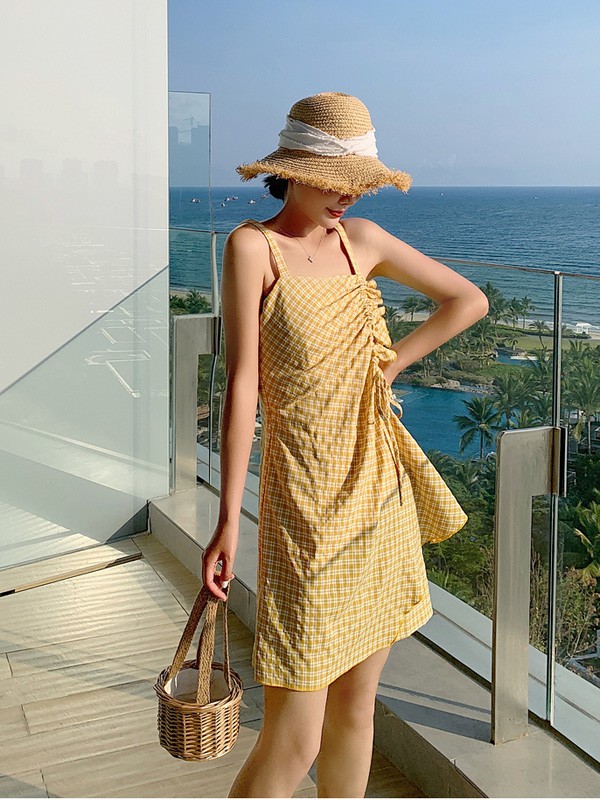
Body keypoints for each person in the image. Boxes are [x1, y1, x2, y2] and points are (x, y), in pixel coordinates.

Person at [202, 92, 489, 798]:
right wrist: (228, 519)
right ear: (293, 171)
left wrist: (391, 365)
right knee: (293, 737)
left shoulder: (363, 242)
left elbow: (469, 300)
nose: (349, 195)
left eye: (358, 182)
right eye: (336, 179)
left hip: (378, 496)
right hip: (303, 505)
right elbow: (242, 386)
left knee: (357, 711)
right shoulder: (253, 247)